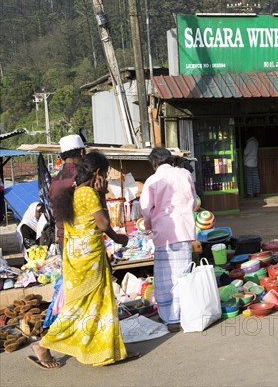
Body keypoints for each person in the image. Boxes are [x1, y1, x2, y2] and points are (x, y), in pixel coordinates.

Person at [30, 152, 134, 369]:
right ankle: (43, 346)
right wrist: (103, 196)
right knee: (80, 307)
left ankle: (109, 351)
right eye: (105, 173)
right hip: (88, 261)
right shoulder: (88, 194)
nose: (105, 178)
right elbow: (104, 224)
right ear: (97, 173)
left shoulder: (75, 192)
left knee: (97, 306)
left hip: (80, 259)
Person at [140, 147, 197, 333]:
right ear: (170, 160)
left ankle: (171, 317)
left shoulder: (152, 180)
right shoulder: (184, 174)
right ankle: (186, 313)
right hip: (183, 230)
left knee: (165, 278)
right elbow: (193, 201)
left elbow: (146, 210)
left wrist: (148, 226)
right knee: (183, 273)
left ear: (154, 163)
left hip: (163, 233)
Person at [50, 134, 86, 256]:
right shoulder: (82, 177)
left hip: (62, 238)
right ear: (82, 152)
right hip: (80, 239)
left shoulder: (55, 180)